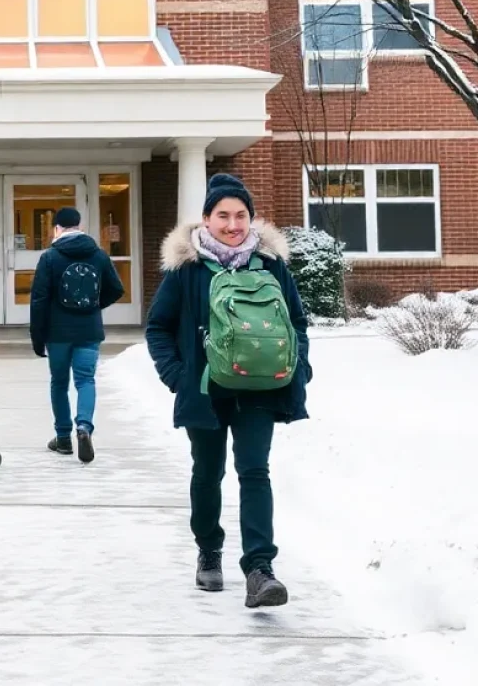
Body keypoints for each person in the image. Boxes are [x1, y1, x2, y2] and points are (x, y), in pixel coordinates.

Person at [145, 173, 312, 609]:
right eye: (223, 215)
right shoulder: (187, 269)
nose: (233, 224)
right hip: (205, 389)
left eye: (241, 215)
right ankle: (209, 551)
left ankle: (260, 569)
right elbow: (158, 327)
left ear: (251, 219)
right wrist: (177, 376)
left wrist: (299, 367)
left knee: (255, 471)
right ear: (206, 218)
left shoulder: (272, 264)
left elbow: (296, 321)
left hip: (260, 388)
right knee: (208, 473)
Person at [29, 206, 125, 465]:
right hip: (89, 330)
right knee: (86, 380)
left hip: (57, 333)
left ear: (56, 228)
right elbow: (117, 289)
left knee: (59, 383)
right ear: (79, 225)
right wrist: (93, 305)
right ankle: (84, 427)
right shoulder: (98, 255)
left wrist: (37, 337)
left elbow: (39, 300)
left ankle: (62, 438)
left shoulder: (50, 258)